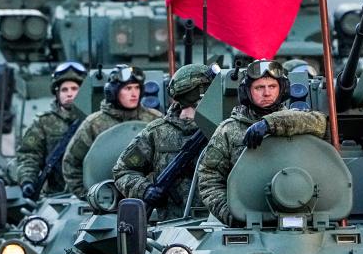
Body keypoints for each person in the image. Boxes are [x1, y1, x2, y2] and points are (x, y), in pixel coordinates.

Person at [197, 60, 328, 225]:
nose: (267, 93)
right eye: (259, 88)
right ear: (247, 92)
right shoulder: (229, 130)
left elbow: (320, 123)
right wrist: (232, 214)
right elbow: (209, 178)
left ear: (282, 89)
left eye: (272, 86)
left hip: (302, 216)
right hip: (249, 221)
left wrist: (269, 124)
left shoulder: (298, 122)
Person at [113, 64, 215, 221]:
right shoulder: (157, 132)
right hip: (172, 227)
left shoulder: (222, 128)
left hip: (218, 225)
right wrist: (145, 190)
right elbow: (123, 170)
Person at [62, 65, 161, 197]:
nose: (134, 93)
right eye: (128, 88)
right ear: (113, 92)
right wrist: (88, 195)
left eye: (137, 88)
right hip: (107, 199)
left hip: (148, 196)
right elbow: (71, 163)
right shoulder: (94, 123)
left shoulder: (154, 119)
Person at [13, 62, 87, 198]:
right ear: (57, 93)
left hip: (94, 194)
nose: (69, 94)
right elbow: (29, 155)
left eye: (74, 89)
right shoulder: (43, 122)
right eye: (64, 90)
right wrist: (27, 180)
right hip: (56, 197)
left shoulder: (96, 120)